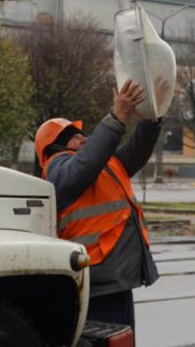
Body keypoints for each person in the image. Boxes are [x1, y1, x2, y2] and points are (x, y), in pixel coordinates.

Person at [34, 79, 161, 331]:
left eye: (83, 133)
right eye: (73, 136)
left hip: (117, 278)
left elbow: (138, 149)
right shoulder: (56, 168)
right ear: (53, 145)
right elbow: (83, 166)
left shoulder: (107, 164)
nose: (82, 137)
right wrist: (117, 117)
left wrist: (152, 117)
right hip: (95, 281)